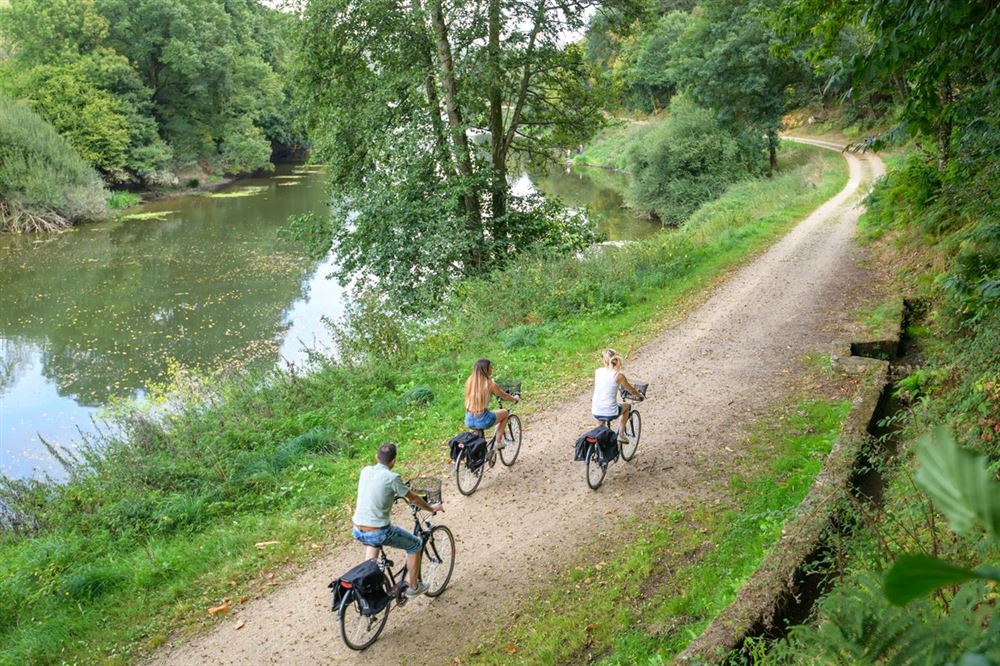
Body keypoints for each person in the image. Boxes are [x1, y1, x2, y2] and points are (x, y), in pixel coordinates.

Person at [352, 443, 443, 598]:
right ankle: (413, 588)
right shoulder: (392, 478)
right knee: (415, 545)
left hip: (357, 529)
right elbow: (413, 498)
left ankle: (368, 582)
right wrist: (431, 508)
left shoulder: (365, 471)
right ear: (393, 461)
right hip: (378, 532)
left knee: (372, 544)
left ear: (376, 457)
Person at [591, 348, 642, 444]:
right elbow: (630, 390)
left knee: (600, 428)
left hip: (596, 409)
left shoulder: (598, 372)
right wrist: (639, 395)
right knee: (626, 406)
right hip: (610, 410)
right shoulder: (618, 376)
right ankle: (621, 435)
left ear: (603, 360)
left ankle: (600, 448)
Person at [464, 358, 519, 447]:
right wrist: (515, 398)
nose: (491, 370)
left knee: (478, 434)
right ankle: (498, 442)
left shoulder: (470, 381)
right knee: (505, 413)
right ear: (486, 370)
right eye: (490, 368)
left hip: (468, 419)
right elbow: (504, 396)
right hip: (483, 419)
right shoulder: (489, 384)